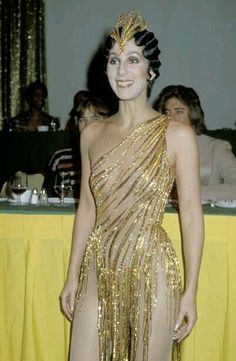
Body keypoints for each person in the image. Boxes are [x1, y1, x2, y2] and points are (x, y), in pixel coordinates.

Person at [60, 11, 204, 361]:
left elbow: (190, 214)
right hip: (98, 264)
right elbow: (87, 209)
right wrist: (72, 275)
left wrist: (191, 292)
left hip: (152, 268)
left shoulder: (178, 135)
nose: (121, 70)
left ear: (150, 71)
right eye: (114, 60)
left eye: (133, 60)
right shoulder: (91, 134)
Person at [154, 85, 236, 201]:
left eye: (178, 111)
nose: (171, 118)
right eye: (167, 113)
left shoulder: (217, 148)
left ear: (193, 113)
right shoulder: (155, 149)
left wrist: (190, 193)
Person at [43, 92, 110, 198]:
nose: (87, 125)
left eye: (95, 119)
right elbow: (46, 196)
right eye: (82, 119)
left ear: (107, 122)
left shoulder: (115, 157)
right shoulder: (60, 158)